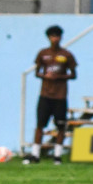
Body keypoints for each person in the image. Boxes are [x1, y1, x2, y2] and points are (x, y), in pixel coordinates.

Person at [22, 25, 77, 165]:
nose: (55, 39)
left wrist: (59, 76)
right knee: (40, 125)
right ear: (48, 38)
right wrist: (46, 76)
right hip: (45, 95)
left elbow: (73, 75)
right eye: (52, 36)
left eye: (57, 36)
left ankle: (57, 156)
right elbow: (37, 73)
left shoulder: (66, 55)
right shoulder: (43, 53)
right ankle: (35, 155)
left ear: (61, 37)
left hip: (60, 96)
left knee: (60, 126)